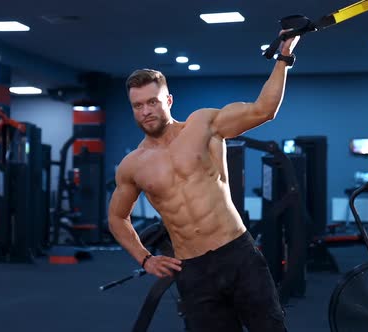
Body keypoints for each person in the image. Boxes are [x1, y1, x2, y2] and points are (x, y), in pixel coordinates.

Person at [107, 30, 300, 332]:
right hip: (193, 270)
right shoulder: (132, 165)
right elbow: (117, 218)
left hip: (237, 253)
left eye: (153, 102)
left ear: (168, 100)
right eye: (138, 106)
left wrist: (284, 57)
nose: (146, 111)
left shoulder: (203, 124)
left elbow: (264, 110)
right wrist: (145, 259)